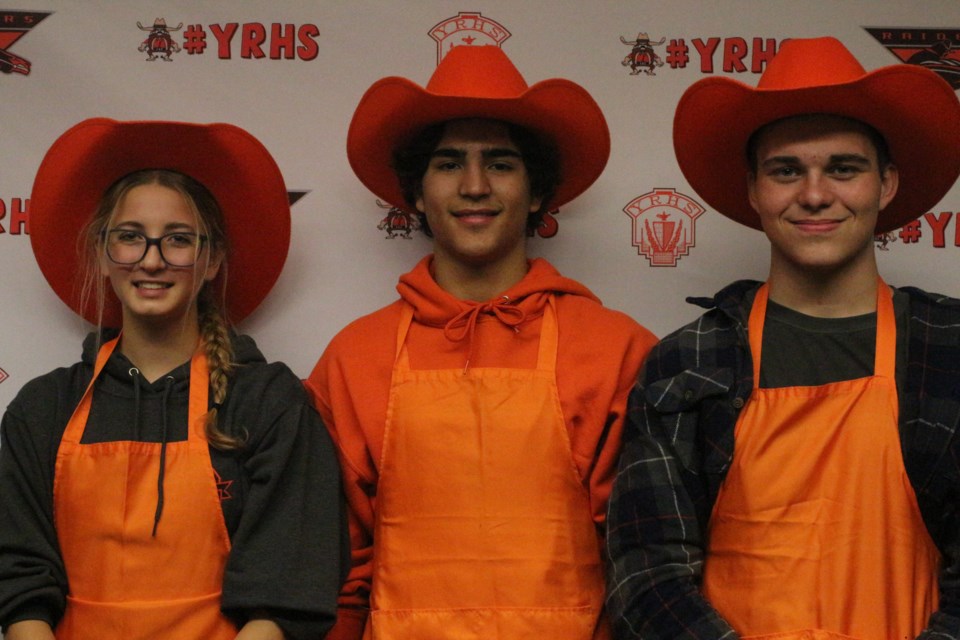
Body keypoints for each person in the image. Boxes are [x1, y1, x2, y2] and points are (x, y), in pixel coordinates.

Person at [605, 36, 960, 640]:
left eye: (843, 168)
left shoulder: (948, 345)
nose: (815, 194)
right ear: (753, 191)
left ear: (887, 184)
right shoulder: (687, 362)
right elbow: (647, 573)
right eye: (786, 171)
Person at [306, 45, 658, 640]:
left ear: (538, 191)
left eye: (500, 163)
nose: (474, 186)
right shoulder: (354, 357)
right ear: (415, 193)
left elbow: (645, 563)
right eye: (448, 164)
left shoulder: (616, 348)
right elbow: (336, 566)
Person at [0, 119, 344, 640]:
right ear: (102, 253)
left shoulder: (267, 401)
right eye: (130, 238)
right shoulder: (45, 406)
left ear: (212, 261)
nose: (152, 261)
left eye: (178, 240)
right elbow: (18, 576)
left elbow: (286, 588)